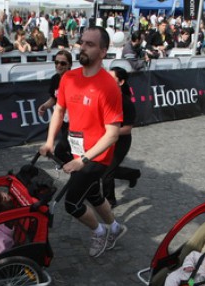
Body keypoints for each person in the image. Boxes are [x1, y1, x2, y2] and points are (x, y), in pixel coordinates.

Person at [39, 26, 126, 258]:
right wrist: (49, 142)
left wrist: (83, 160)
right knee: (94, 194)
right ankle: (115, 228)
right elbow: (59, 111)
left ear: (103, 51)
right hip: (77, 150)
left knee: (72, 203)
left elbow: (112, 134)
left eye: (90, 44)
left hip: (97, 156)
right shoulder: (69, 78)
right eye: (82, 42)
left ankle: (99, 231)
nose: (83, 47)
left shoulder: (109, 86)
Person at [102, 67, 141, 208]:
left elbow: (127, 129)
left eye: (111, 78)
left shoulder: (126, 103)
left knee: (107, 172)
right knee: (104, 169)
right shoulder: (104, 97)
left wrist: (109, 132)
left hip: (121, 142)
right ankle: (131, 174)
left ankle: (109, 201)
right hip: (106, 139)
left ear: (121, 82)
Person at [38, 50, 73, 164]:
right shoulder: (55, 79)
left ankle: (78, 169)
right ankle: (77, 169)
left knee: (60, 151)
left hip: (75, 122)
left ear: (70, 64)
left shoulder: (74, 79)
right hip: (63, 120)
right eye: (56, 62)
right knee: (69, 150)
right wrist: (44, 106)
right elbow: (54, 98)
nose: (59, 65)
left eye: (63, 63)